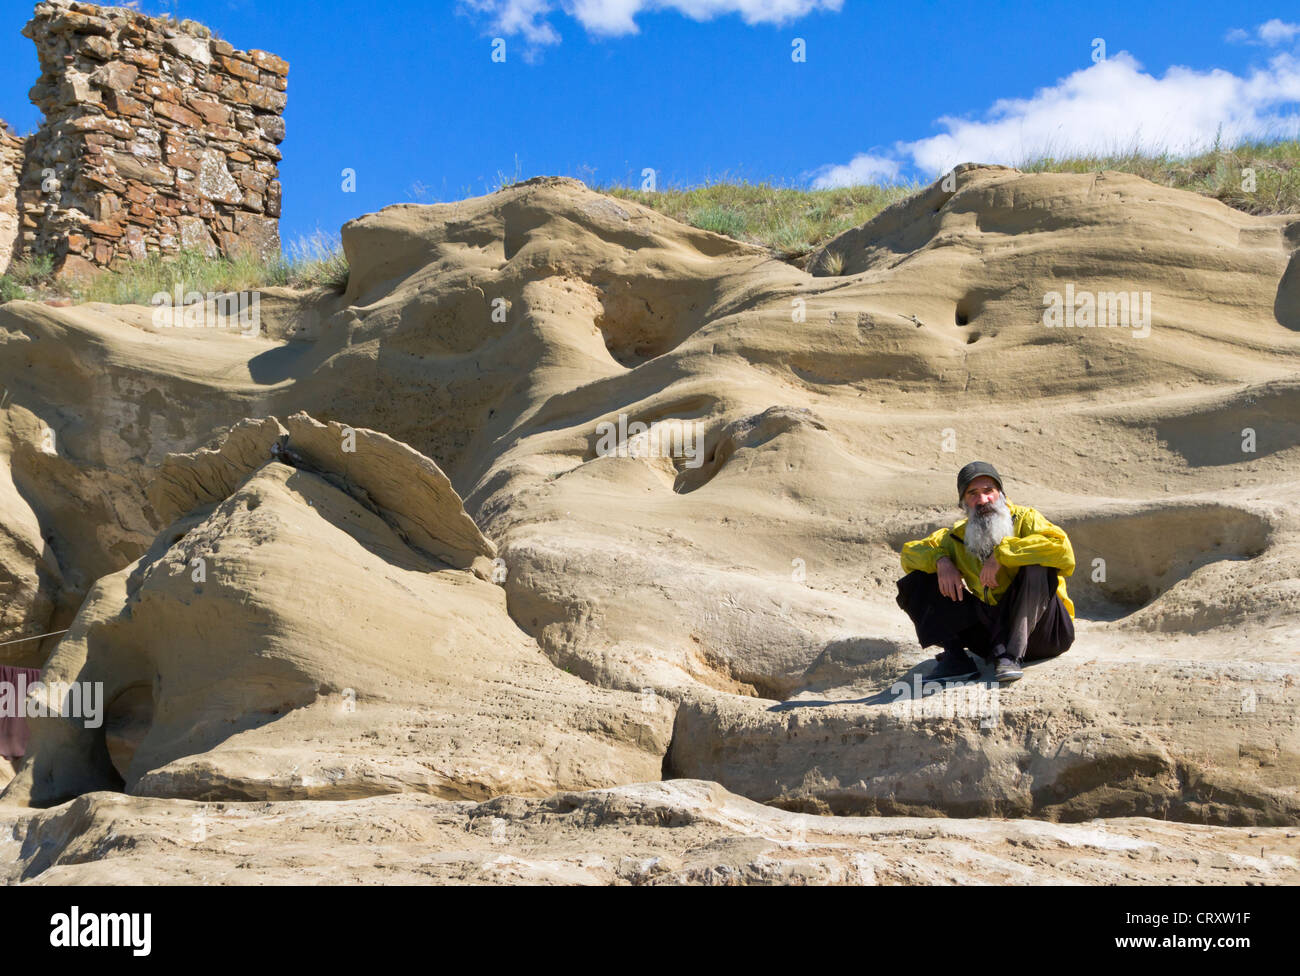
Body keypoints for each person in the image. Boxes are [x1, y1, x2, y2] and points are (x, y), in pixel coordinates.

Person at [895, 461, 1075, 684]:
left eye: (988, 490)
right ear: (963, 503)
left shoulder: (1026, 519)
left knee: (1037, 567)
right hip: (992, 636)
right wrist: (941, 561)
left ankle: (1012, 656)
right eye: (972, 493)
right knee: (918, 579)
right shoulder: (957, 535)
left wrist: (1002, 554)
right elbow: (909, 555)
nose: (982, 500)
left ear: (1000, 492)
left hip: (1045, 633)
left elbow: (1062, 551)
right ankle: (957, 659)